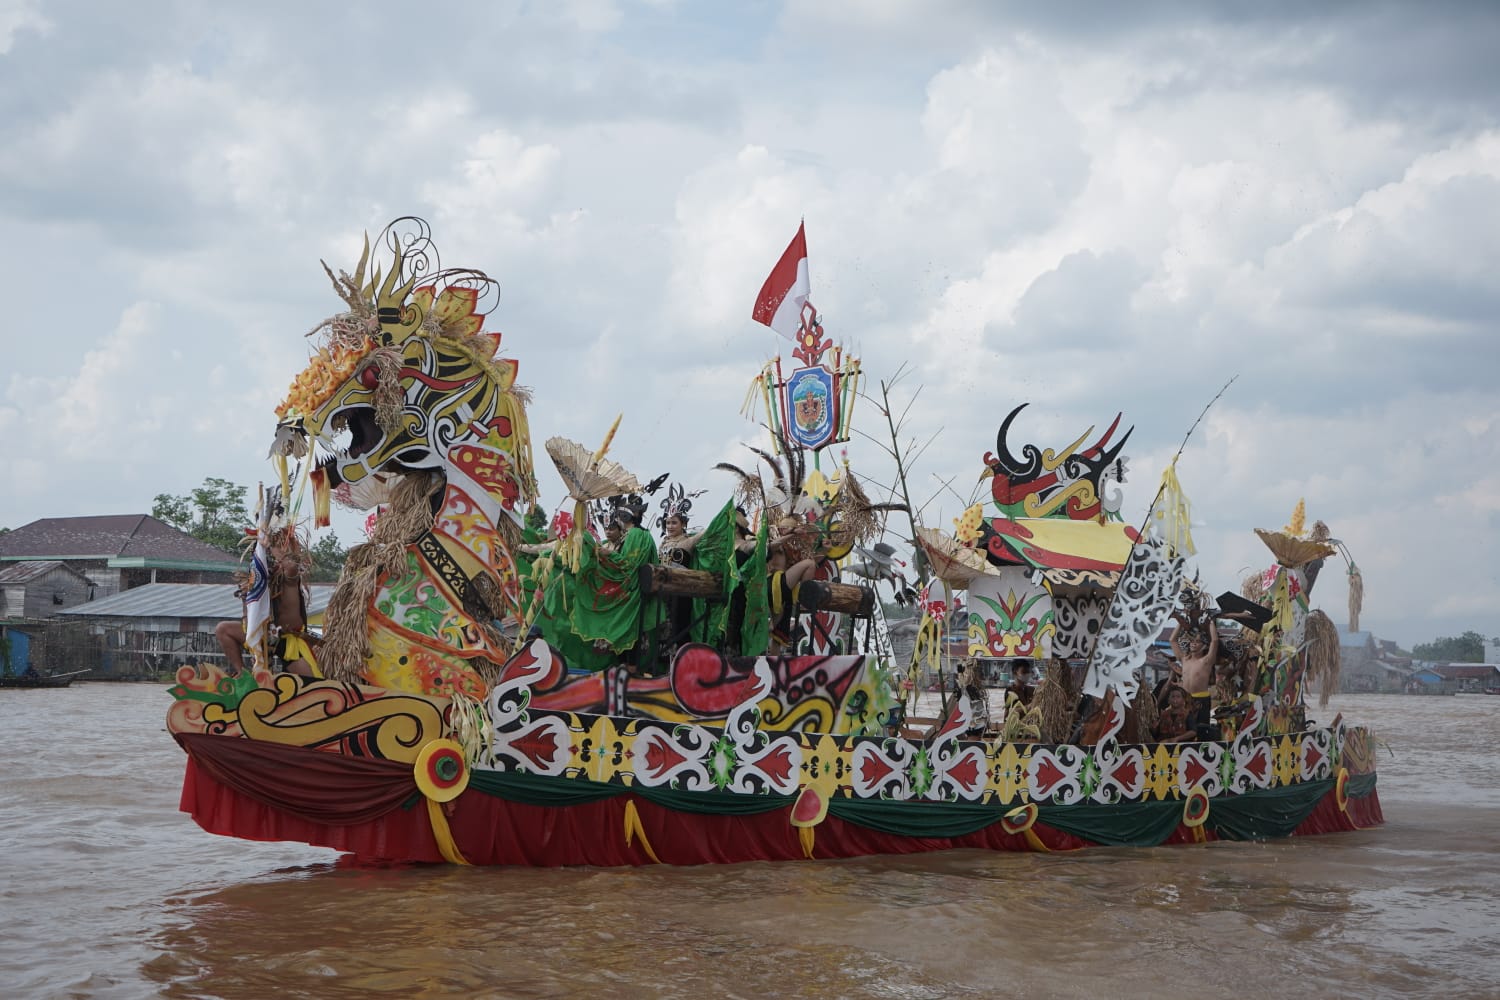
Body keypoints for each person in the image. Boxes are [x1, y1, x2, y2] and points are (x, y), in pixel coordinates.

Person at [1170, 614, 1218, 739]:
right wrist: (1181, 622)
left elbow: (1215, 641)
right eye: (1192, 641)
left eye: (1197, 642)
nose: (1193, 644)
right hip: (1185, 700)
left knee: (1201, 731)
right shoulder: (1184, 660)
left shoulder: (1206, 661)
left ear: (1204, 646)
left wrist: (1211, 621)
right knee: (1183, 730)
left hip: (1201, 700)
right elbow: (1172, 640)